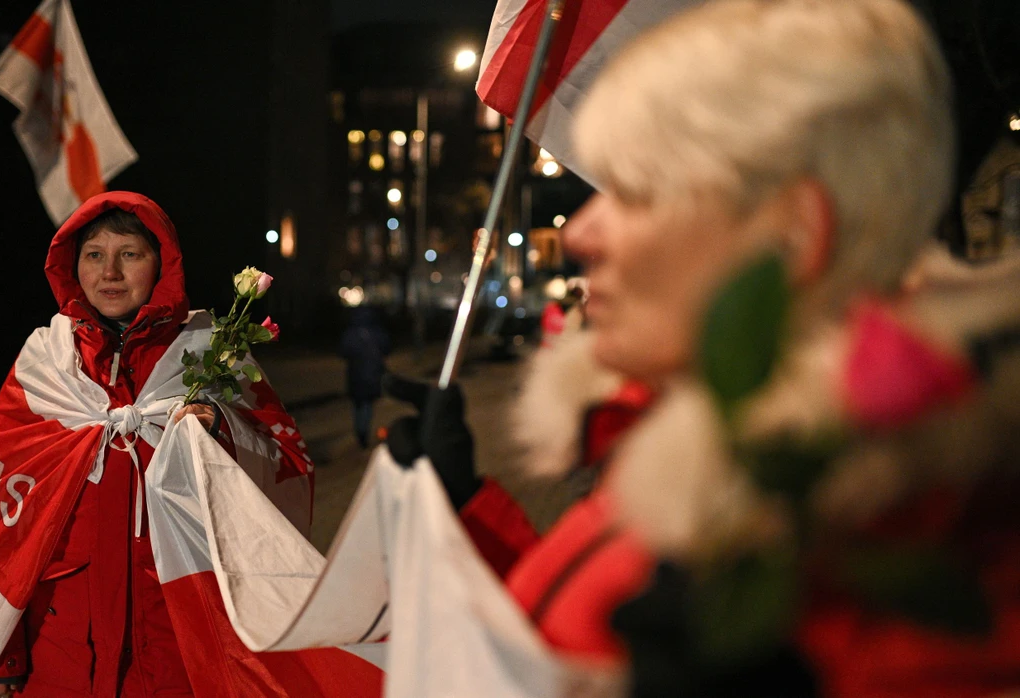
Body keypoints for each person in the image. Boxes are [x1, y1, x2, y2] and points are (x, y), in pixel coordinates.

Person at [385, 1, 1020, 695]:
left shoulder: (894, 575)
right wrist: (463, 518)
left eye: (635, 191)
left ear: (792, 238)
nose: (578, 235)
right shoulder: (680, 451)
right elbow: (543, 651)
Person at [0, 192, 379, 698]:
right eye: (94, 254)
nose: (110, 272)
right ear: (73, 267)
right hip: (61, 649)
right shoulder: (44, 364)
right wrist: (4, 653)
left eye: (129, 254)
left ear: (162, 263)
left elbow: (288, 463)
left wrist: (221, 429)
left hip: (179, 645)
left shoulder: (212, 353)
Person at [338, 305, 391, 448]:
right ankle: (363, 432)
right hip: (373, 374)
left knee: (357, 404)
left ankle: (360, 431)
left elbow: (343, 351)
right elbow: (387, 348)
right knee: (367, 404)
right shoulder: (377, 332)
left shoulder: (351, 333)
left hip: (355, 374)